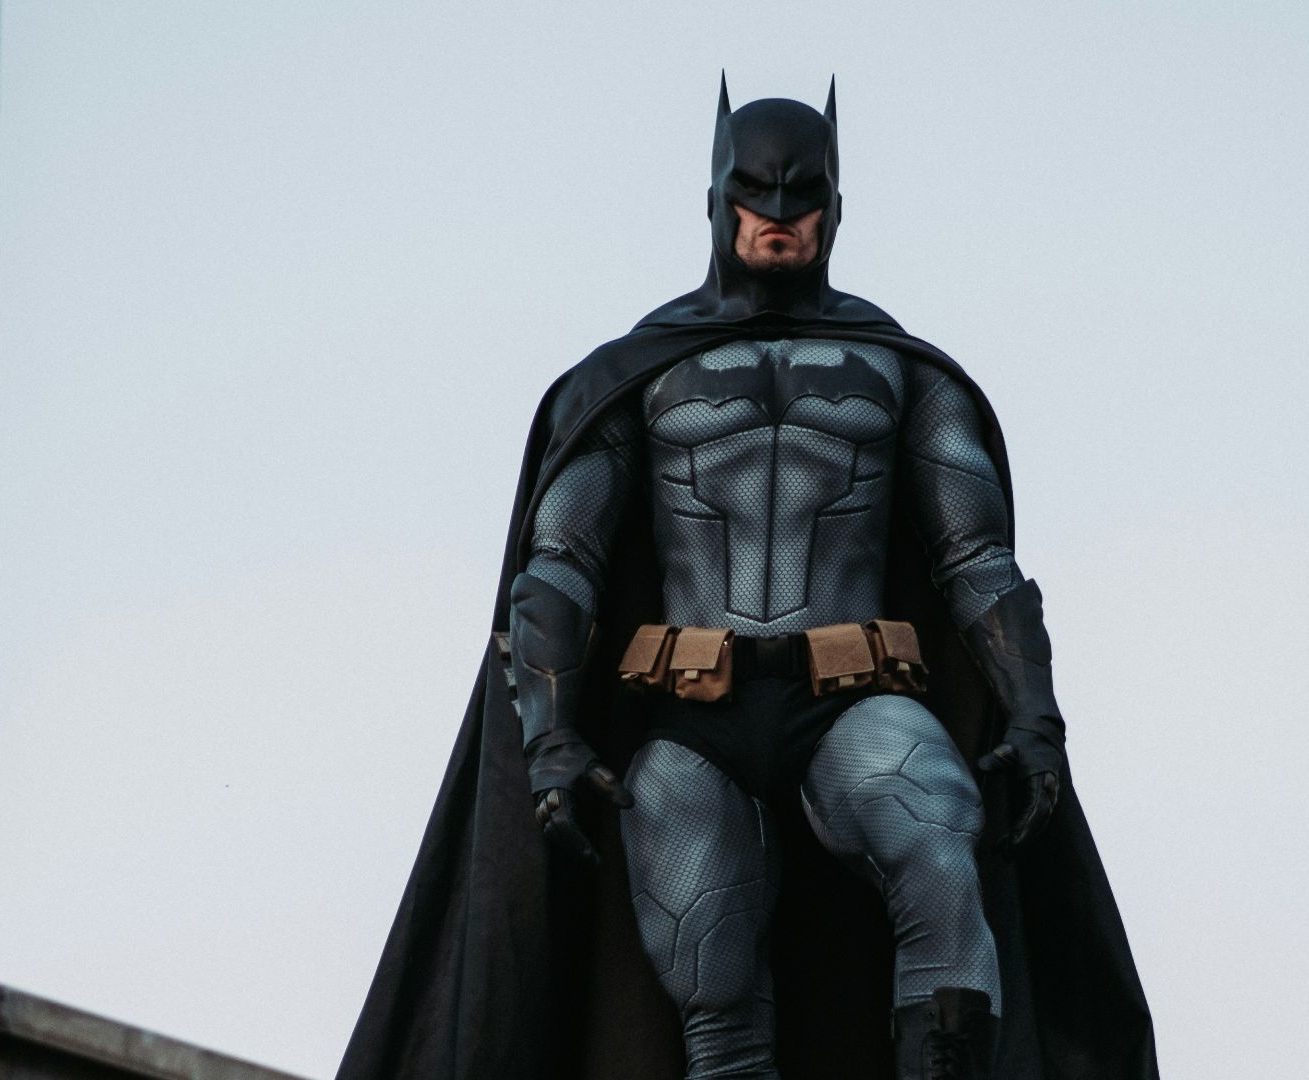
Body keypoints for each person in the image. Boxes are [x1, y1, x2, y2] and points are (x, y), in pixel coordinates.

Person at [338, 79, 1156, 1080]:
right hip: (691, 715)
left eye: (800, 200)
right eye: (756, 198)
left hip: (854, 702)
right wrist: (549, 734)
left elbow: (975, 560)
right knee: (707, 953)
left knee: (941, 841)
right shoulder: (636, 373)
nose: (777, 221)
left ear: (836, 208)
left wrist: (1036, 717)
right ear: (718, 199)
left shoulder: (902, 371)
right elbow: (561, 565)